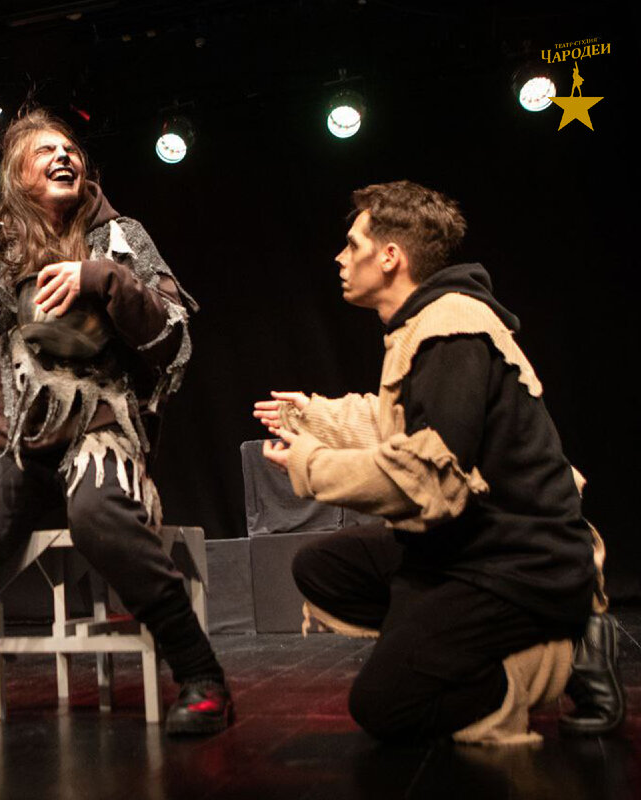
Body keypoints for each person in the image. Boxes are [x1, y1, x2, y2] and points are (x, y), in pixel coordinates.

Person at [0, 88, 231, 735]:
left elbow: (172, 334)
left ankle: (202, 675)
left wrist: (101, 278)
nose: (64, 156)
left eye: (70, 149)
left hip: (99, 427)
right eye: (45, 151)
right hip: (13, 436)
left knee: (100, 517)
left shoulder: (119, 238)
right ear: (17, 175)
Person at [253, 180, 621, 744]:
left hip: (520, 560)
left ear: (390, 257)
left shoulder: (453, 330)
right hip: (467, 541)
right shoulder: (424, 323)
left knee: (384, 705)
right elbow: (405, 426)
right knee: (323, 568)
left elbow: (428, 475)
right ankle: (438, 635)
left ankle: (562, 652)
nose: (340, 258)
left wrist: (311, 462)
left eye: (353, 245)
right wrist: (316, 416)